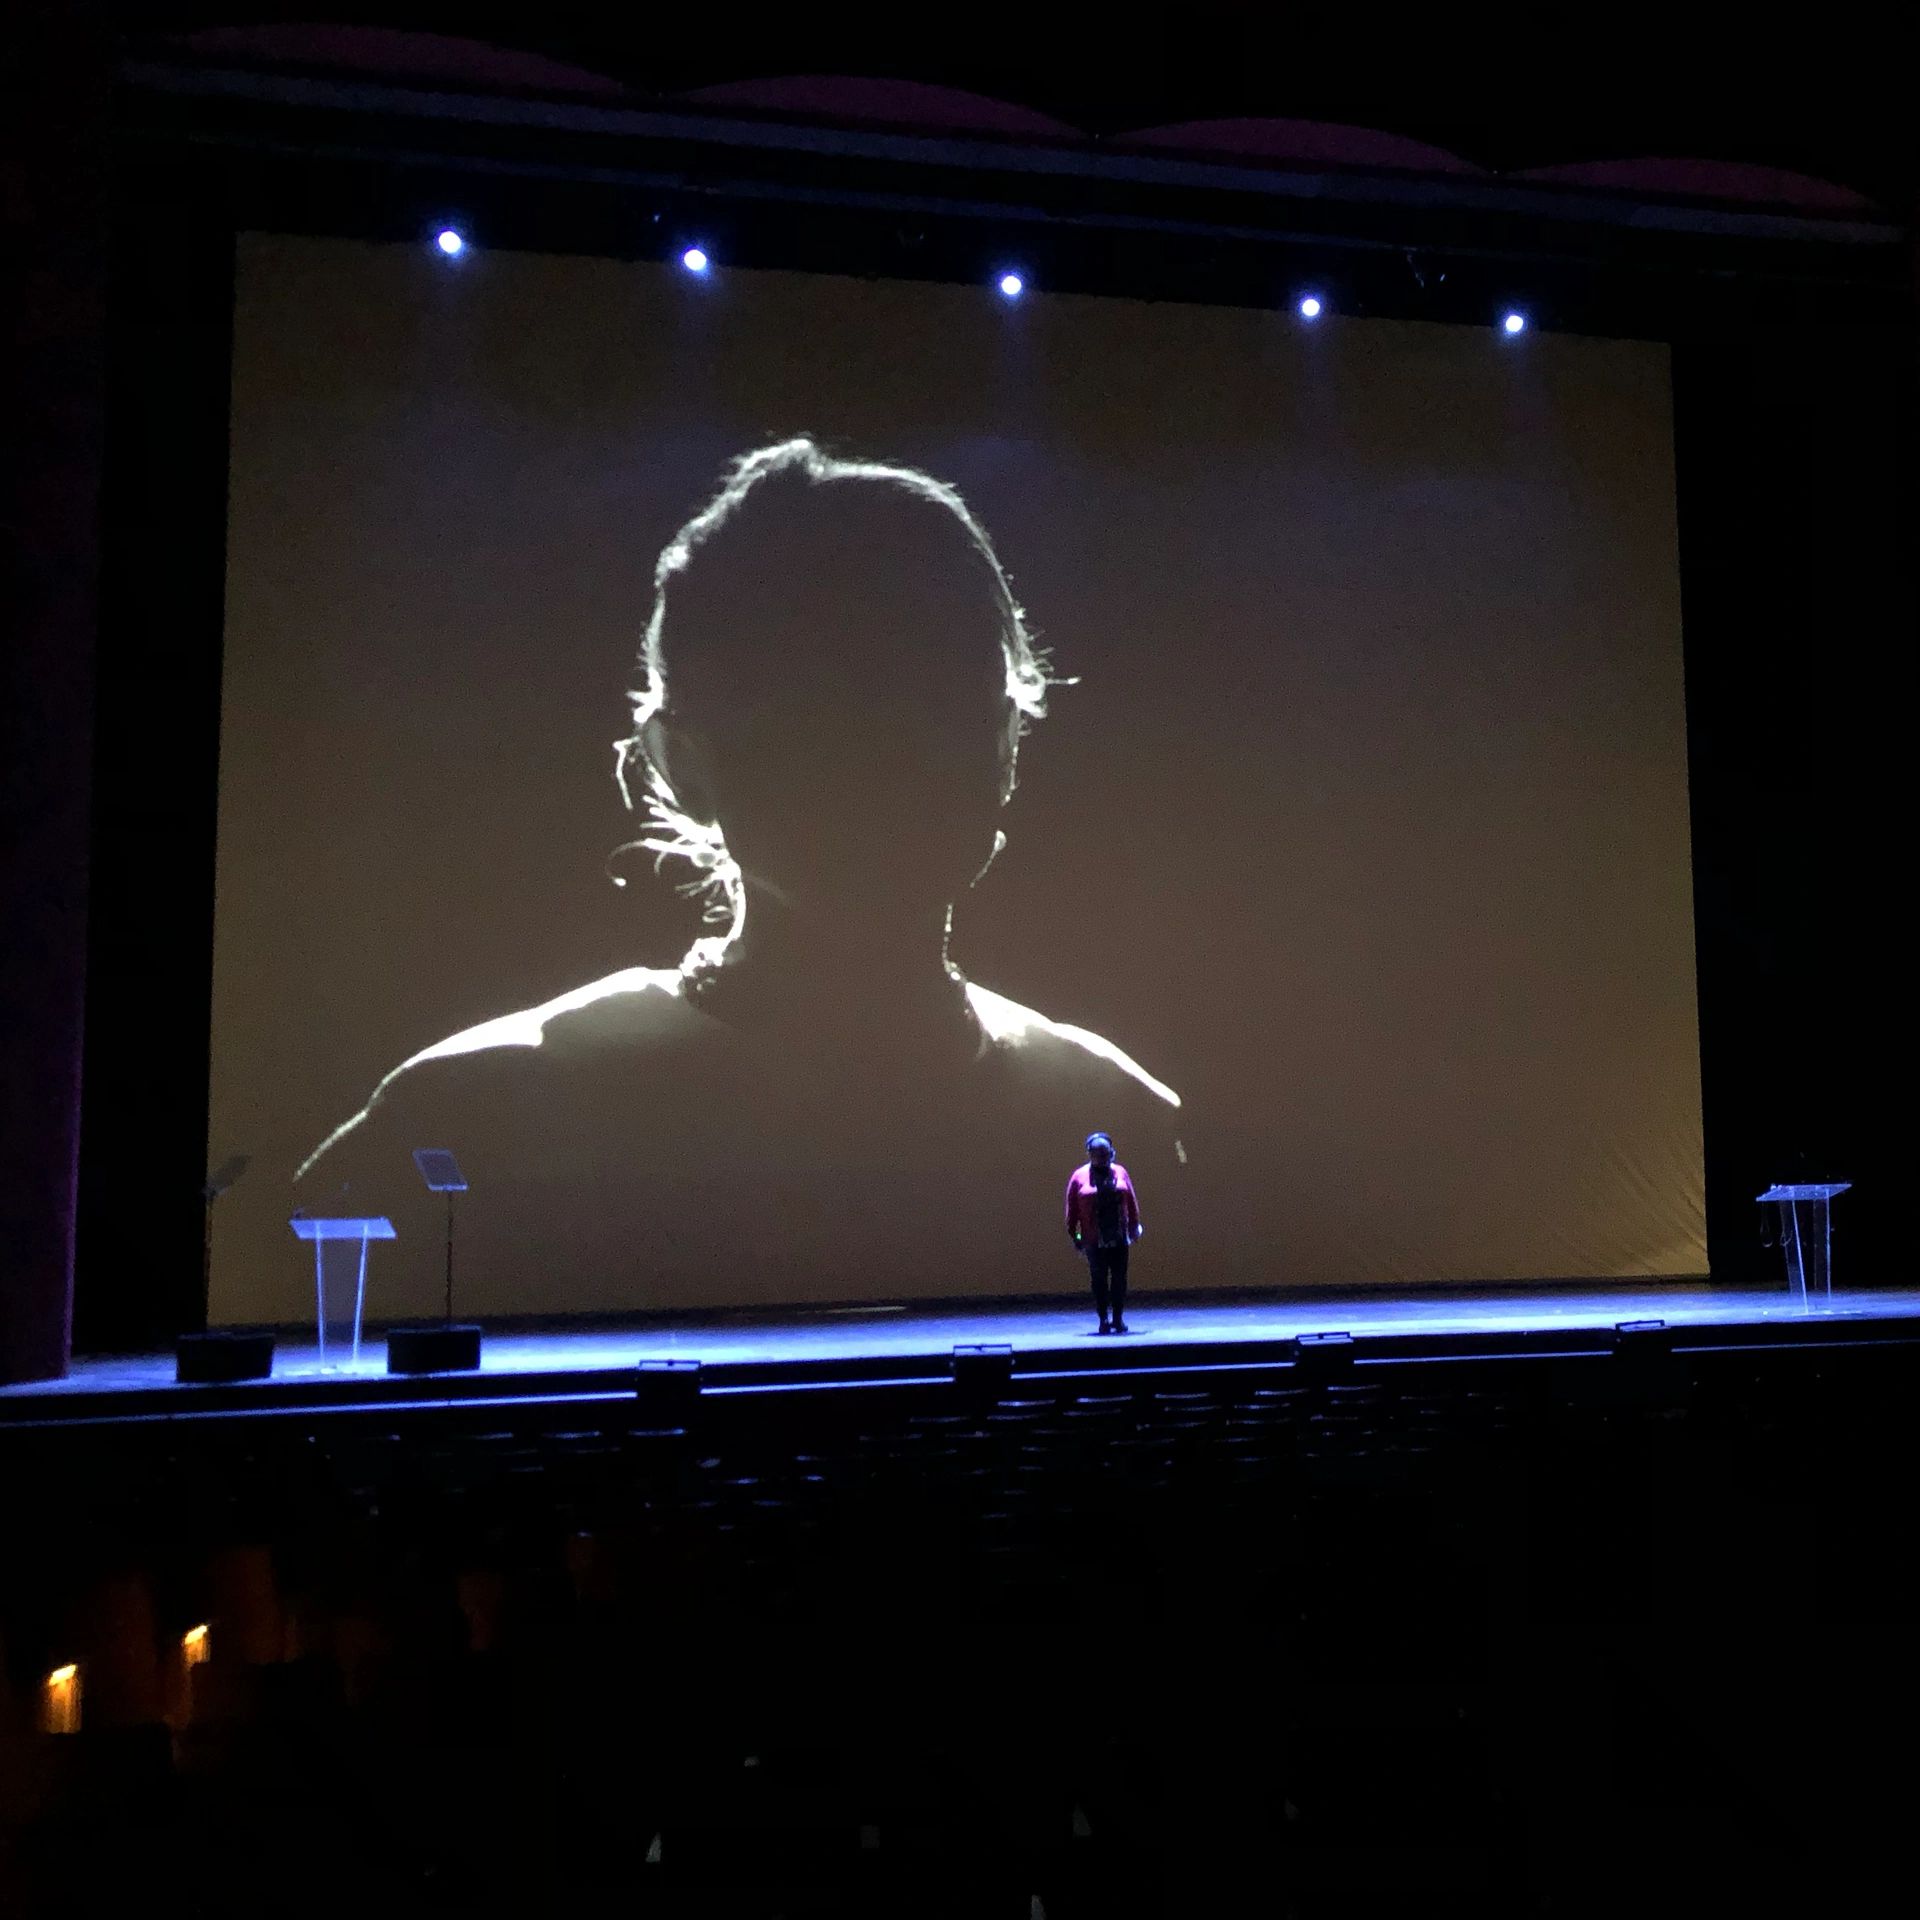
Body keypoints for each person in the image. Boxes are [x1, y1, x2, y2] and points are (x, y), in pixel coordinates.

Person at [293, 438, 1186, 1309]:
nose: (887, 760)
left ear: (1005, 741)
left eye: (933, 699)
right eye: (816, 711)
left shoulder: (1112, 1106)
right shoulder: (475, 1115)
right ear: (682, 761)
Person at [1065, 1132, 1142, 1334]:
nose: (1102, 1158)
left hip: (1119, 1236)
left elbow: (1131, 1202)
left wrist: (1134, 1227)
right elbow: (1072, 1212)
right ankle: (1103, 1319)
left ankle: (1118, 1318)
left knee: (1119, 1279)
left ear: (1111, 1153)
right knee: (1098, 1279)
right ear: (1090, 1154)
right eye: (1097, 1154)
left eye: (1105, 1154)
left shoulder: (1120, 1172)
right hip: (1093, 1238)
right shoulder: (1079, 1176)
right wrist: (1077, 1237)